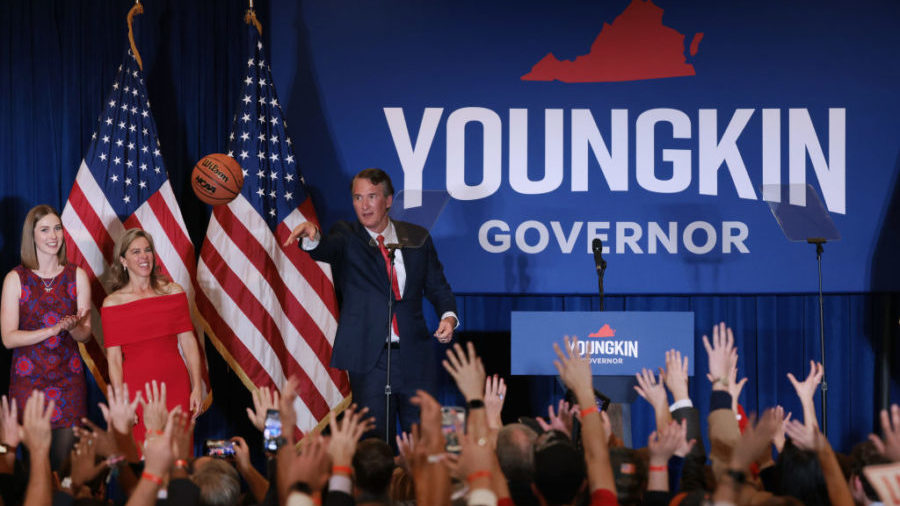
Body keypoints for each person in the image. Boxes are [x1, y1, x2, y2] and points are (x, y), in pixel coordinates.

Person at [284, 168, 457, 438]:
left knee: (425, 441)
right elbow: (327, 247)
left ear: (388, 201)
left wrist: (448, 316)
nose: (364, 205)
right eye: (357, 197)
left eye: (372, 196)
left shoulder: (416, 237)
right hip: (370, 359)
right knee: (374, 445)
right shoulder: (347, 235)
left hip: (414, 356)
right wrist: (313, 237)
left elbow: (437, 285)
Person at [0, 204, 91, 470]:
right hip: (28, 384)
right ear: (32, 236)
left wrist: (72, 326)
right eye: (45, 230)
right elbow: (8, 338)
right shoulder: (15, 279)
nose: (53, 236)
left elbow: (85, 334)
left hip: (68, 383)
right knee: (34, 469)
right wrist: (51, 330)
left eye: (57, 228)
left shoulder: (78, 276)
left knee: (65, 471)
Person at [100, 228, 203, 445]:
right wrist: (122, 403)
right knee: (145, 458)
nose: (143, 256)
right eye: (135, 252)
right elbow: (115, 360)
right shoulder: (113, 304)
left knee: (178, 459)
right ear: (123, 261)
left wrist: (196, 387)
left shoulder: (173, 292)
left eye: (147, 250)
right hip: (137, 392)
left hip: (176, 386)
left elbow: (189, 343)